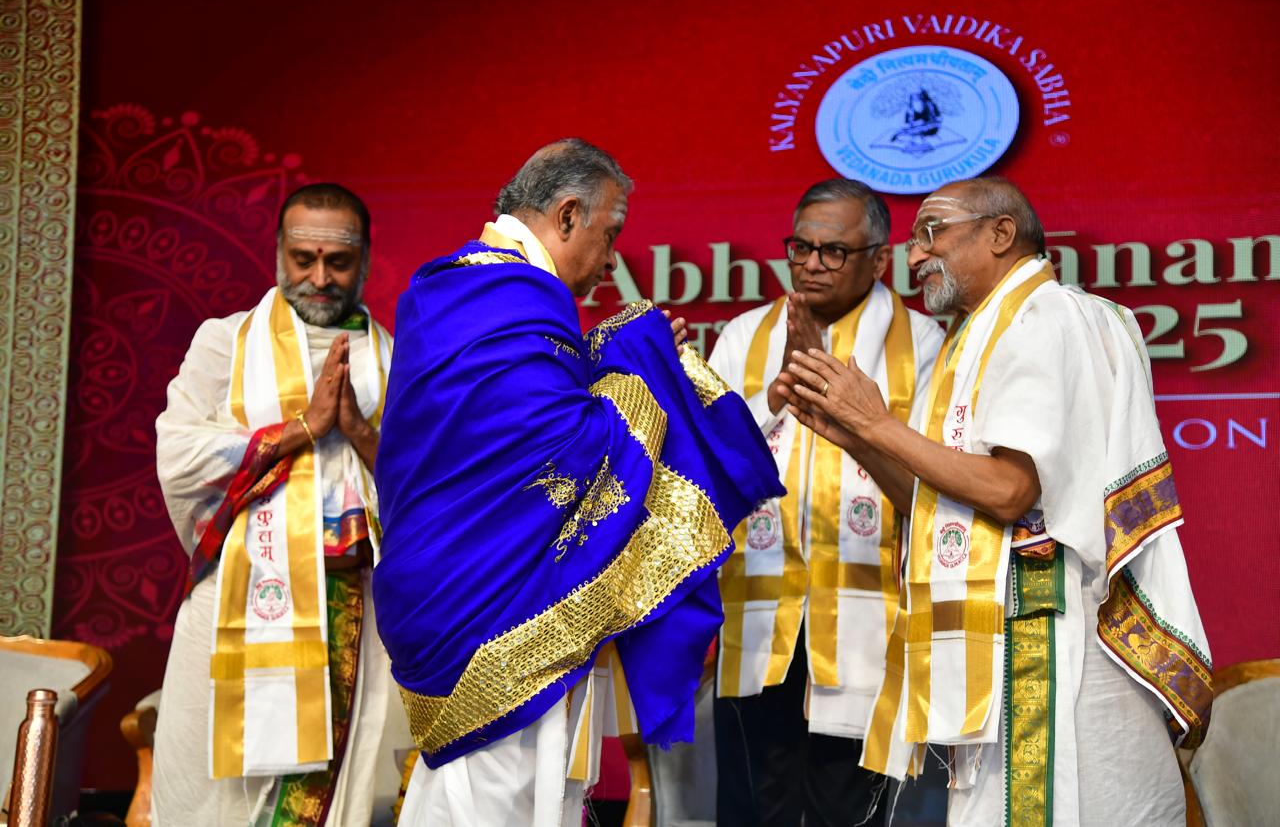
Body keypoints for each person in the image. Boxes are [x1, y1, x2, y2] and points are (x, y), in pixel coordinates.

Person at [372, 138, 784, 827]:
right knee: (497, 796)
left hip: (449, 578)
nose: (613, 258)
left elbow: (519, 427)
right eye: (610, 233)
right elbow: (563, 443)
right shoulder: (518, 296)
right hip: (485, 596)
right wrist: (643, 365)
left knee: (479, 793)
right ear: (567, 215)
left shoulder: (448, 290)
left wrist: (630, 355)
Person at [778, 177, 1212, 826]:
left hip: (1049, 636)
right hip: (1011, 633)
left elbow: (1010, 491)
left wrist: (877, 424)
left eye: (932, 233)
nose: (915, 255)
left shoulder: (1044, 316)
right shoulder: (982, 333)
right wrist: (856, 437)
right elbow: (938, 504)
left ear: (1001, 233)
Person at [153, 183, 410, 826]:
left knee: (336, 799)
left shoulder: (396, 361)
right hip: (239, 601)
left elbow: (429, 488)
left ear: (366, 260)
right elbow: (179, 454)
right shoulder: (226, 343)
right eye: (303, 258)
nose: (319, 278)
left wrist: (358, 432)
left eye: (338, 262)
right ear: (278, 253)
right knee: (217, 800)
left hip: (354, 606)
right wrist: (303, 428)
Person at [708, 178, 944, 826]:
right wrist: (777, 394)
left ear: (879, 259)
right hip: (760, 618)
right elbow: (705, 468)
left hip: (869, 622)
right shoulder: (744, 336)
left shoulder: (923, 344)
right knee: (753, 810)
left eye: (834, 251)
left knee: (850, 812)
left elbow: (933, 479)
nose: (812, 263)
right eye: (801, 247)